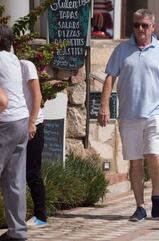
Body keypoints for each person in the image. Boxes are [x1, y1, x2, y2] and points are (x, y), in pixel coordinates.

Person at [98, 9, 159, 222]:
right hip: (128, 115)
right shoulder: (122, 50)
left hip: (155, 113)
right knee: (134, 162)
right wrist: (104, 105)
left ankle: (156, 193)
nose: (140, 29)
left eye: (145, 25)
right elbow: (110, 78)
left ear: (153, 27)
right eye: (136, 25)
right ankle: (140, 206)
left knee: (154, 155)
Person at [0, 24, 29, 241]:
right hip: (21, 120)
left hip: (5, 123)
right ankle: (18, 231)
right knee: (15, 180)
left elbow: (2, 101)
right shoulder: (13, 60)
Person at [20, 59, 48, 228]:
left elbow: (37, 95)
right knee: (15, 174)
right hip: (16, 123)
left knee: (32, 172)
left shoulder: (26, 66)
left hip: (33, 125)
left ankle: (41, 216)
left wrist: (32, 122)